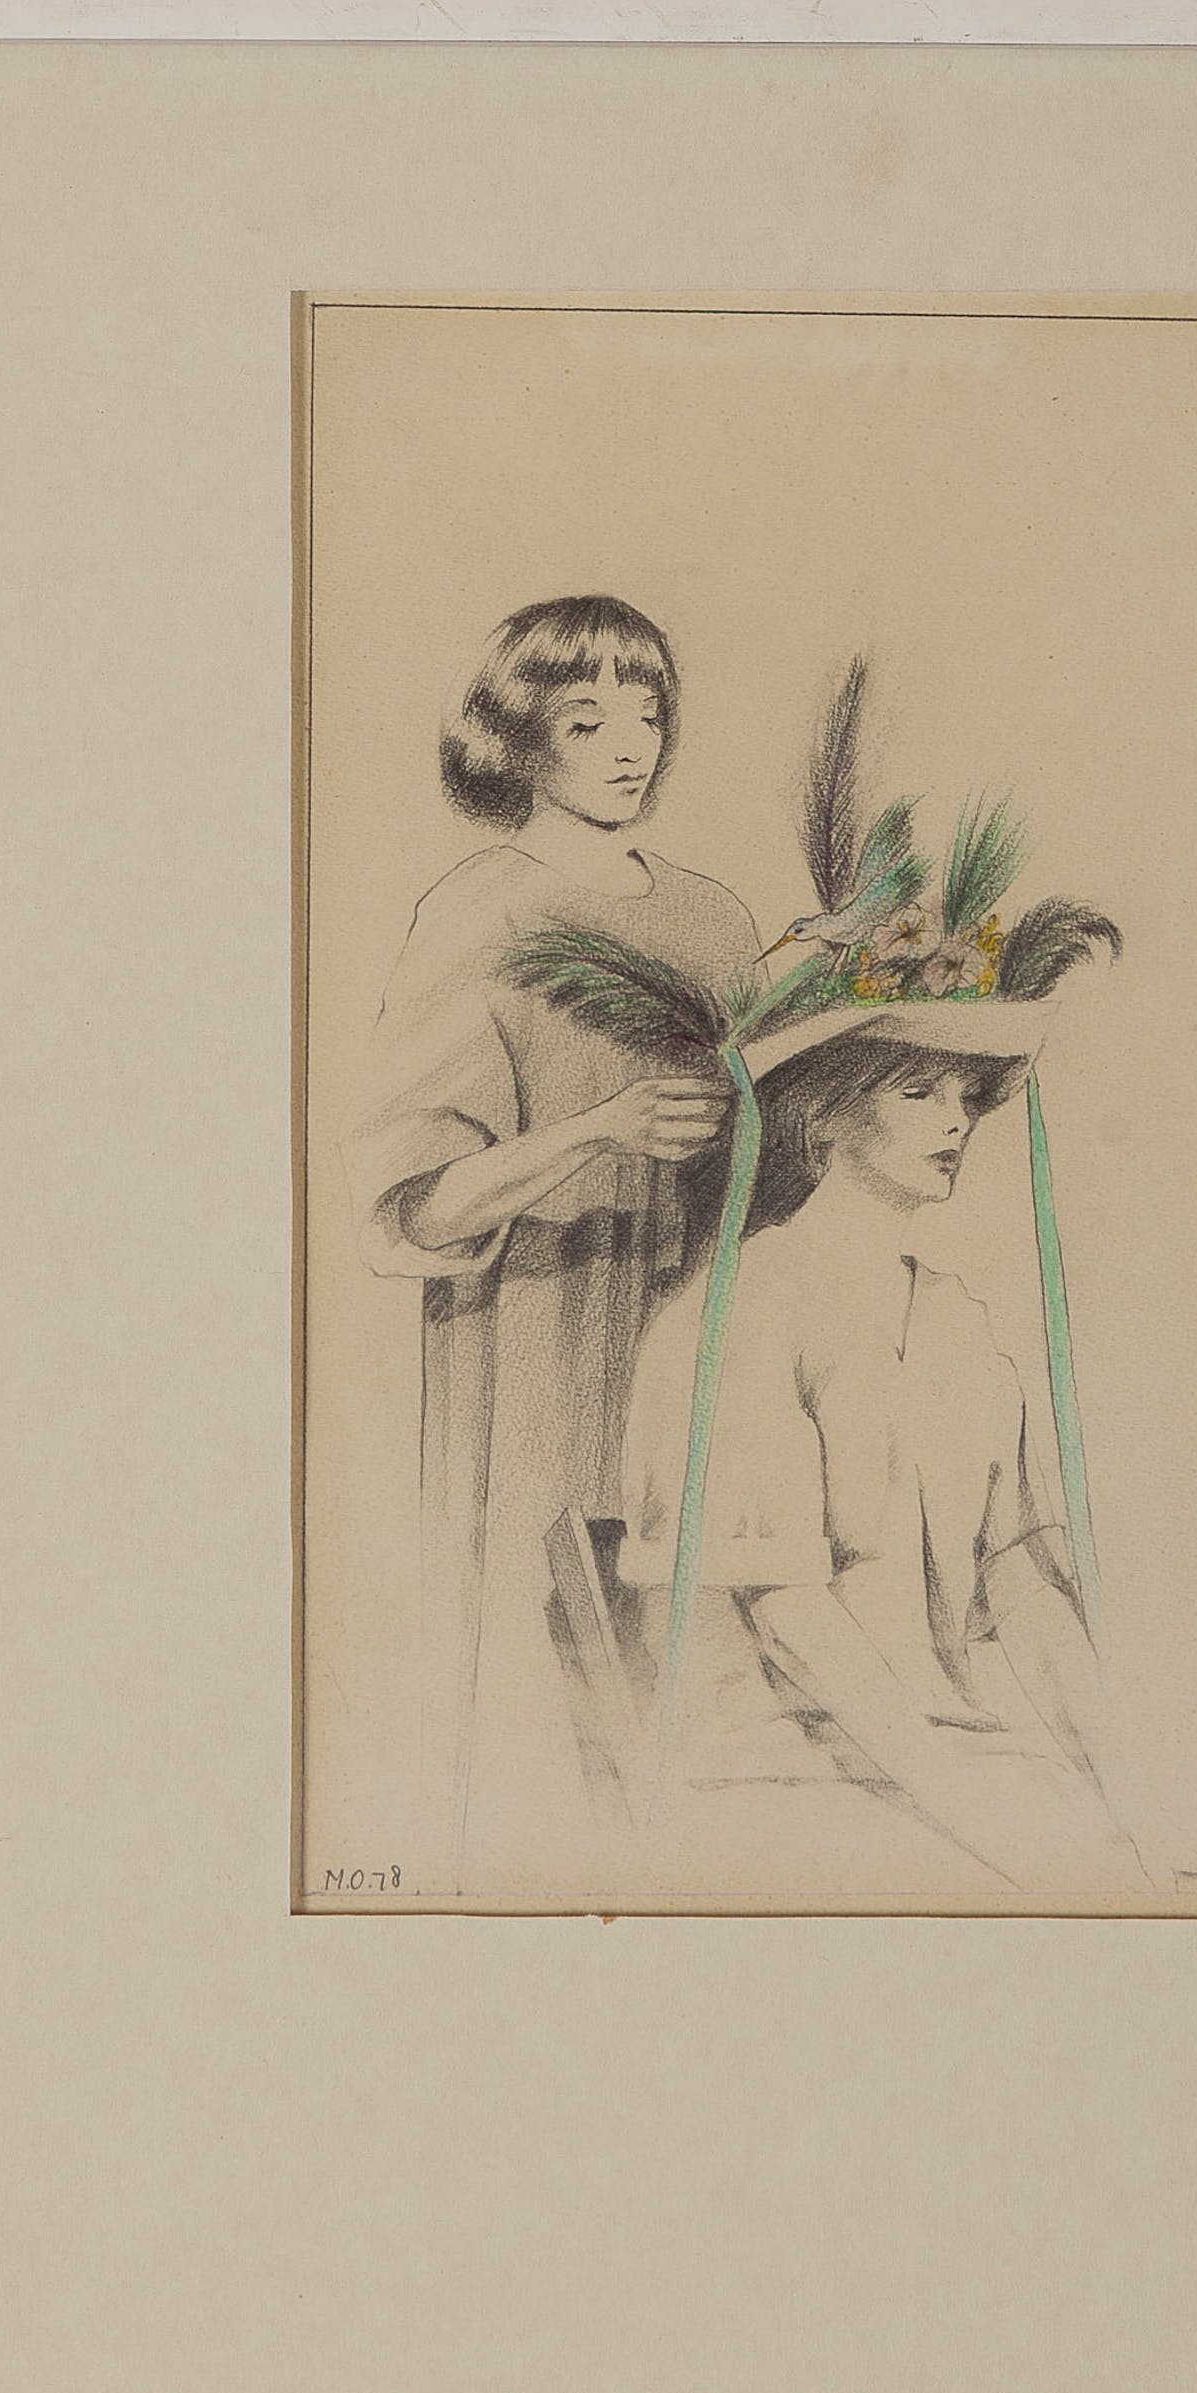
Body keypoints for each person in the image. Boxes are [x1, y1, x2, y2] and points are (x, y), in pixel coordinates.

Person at [343, 597, 762, 1884]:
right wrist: (599, 1132)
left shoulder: (716, 921)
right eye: (586, 721)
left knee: (686, 1697)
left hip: (688, 1353)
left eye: (647, 713)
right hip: (529, 1350)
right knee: (533, 1692)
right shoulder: (479, 914)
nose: (630, 745)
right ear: (519, 741)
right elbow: (410, 1205)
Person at [614, 1002, 1148, 1904]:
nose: (957, 1121)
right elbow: (789, 1618)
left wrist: (1134, 1807)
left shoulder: (956, 1318)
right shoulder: (743, 1309)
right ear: (824, 1113)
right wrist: (1004, 1829)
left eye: (968, 1097)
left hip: (957, 1756)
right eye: (919, 1092)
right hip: (781, 1769)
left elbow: (1018, 1581)